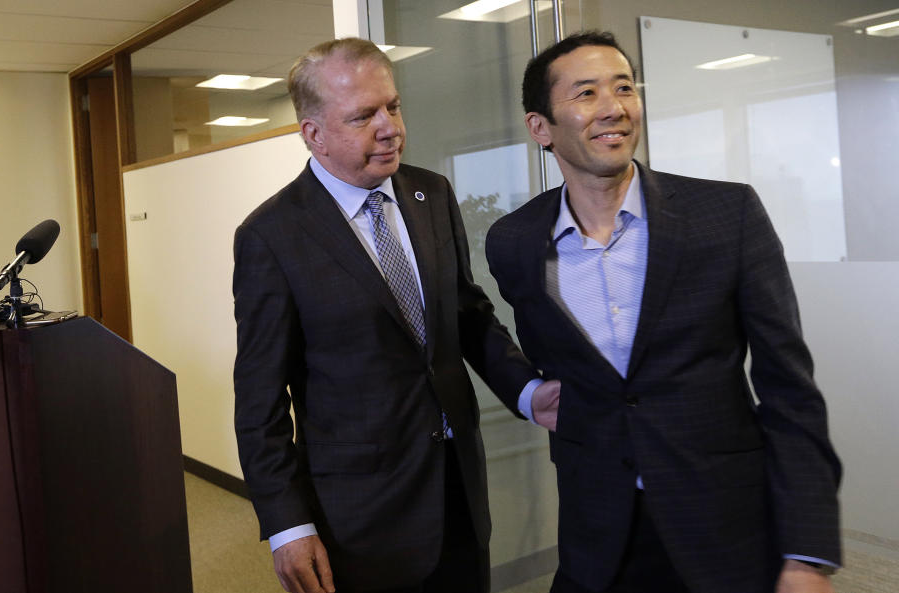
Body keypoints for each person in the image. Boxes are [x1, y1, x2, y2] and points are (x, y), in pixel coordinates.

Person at [485, 31, 842, 593]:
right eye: (585, 93)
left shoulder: (727, 214)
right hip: (597, 537)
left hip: (725, 530)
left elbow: (789, 389)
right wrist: (531, 393)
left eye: (624, 87)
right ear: (540, 128)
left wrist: (807, 552)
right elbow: (549, 357)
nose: (614, 108)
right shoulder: (515, 242)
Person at [233, 38, 559, 593]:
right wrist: (287, 524)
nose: (389, 127)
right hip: (361, 517)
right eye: (364, 116)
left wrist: (527, 391)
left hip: (459, 491)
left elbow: (467, 312)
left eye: (393, 106)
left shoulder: (431, 192)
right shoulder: (272, 236)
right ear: (313, 134)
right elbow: (260, 398)